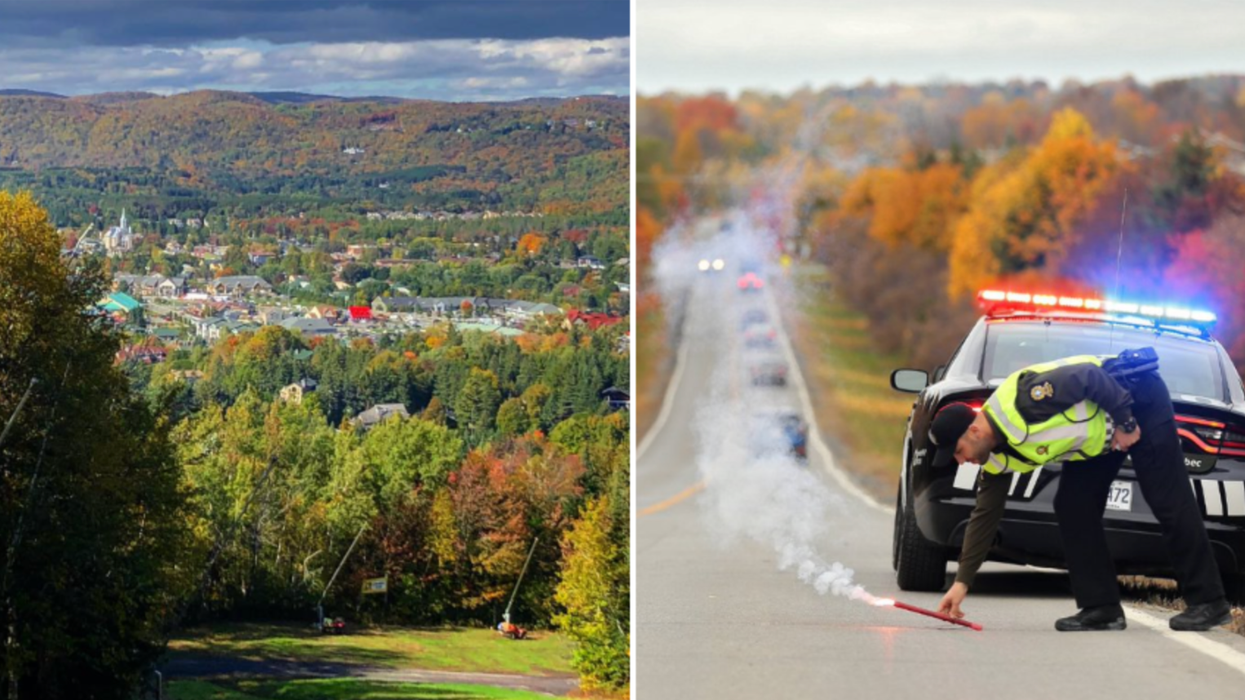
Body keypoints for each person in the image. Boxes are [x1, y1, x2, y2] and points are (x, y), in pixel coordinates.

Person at [928, 348, 1232, 632]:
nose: (961, 461)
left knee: (1167, 497)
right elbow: (985, 517)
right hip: (1101, 434)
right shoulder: (993, 457)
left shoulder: (1024, 400)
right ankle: (1101, 608)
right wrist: (962, 582)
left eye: (958, 451)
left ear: (974, 431)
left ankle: (1209, 601)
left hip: (1136, 398)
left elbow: (1089, 376)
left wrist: (1126, 423)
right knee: (1073, 504)